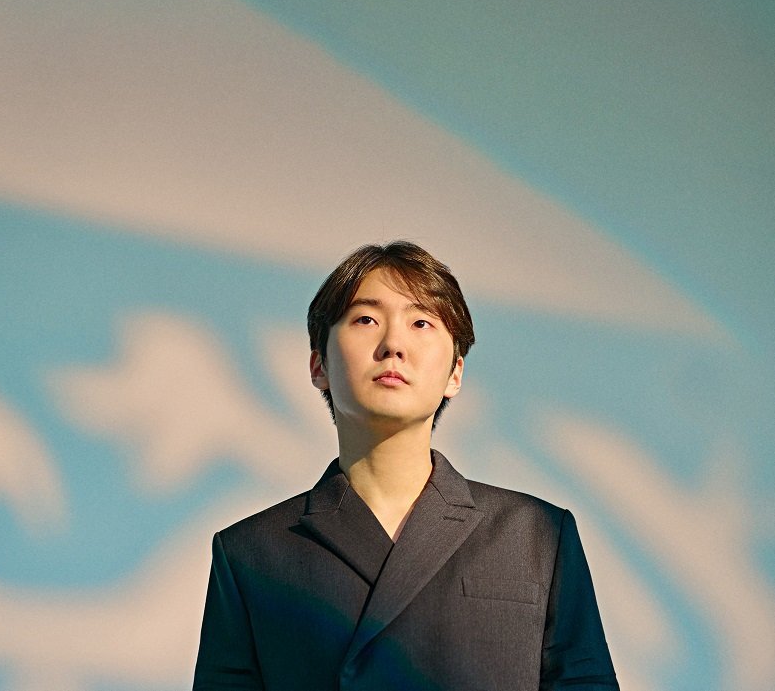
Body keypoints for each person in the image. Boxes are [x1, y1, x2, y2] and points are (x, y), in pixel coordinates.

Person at [193, 241, 619, 690]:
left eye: (420, 323)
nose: (393, 345)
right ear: (319, 366)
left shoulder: (535, 535)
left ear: (455, 373)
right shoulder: (252, 553)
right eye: (366, 320)